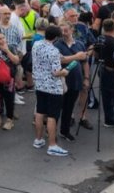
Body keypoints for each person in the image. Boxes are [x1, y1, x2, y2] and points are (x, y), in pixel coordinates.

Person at [32, 25, 70, 157]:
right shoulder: (53, 51)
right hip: (53, 87)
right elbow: (56, 72)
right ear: (56, 37)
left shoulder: (36, 44)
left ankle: (38, 139)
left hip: (39, 84)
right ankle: (52, 145)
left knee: (40, 111)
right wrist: (64, 72)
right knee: (53, 115)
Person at [53, 20, 88, 142]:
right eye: (61, 30)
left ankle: (64, 131)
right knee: (57, 107)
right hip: (60, 81)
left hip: (75, 81)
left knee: (69, 108)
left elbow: (85, 62)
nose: (63, 32)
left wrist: (87, 78)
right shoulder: (56, 45)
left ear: (72, 29)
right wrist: (76, 57)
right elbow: (59, 60)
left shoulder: (79, 44)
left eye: (66, 30)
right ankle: (51, 132)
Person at [0, 31, 20, 130]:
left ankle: (10, 119)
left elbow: (16, 60)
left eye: (3, 38)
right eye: (0, 38)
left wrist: (7, 51)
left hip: (9, 79)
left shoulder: (11, 47)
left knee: (9, 98)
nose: (2, 40)